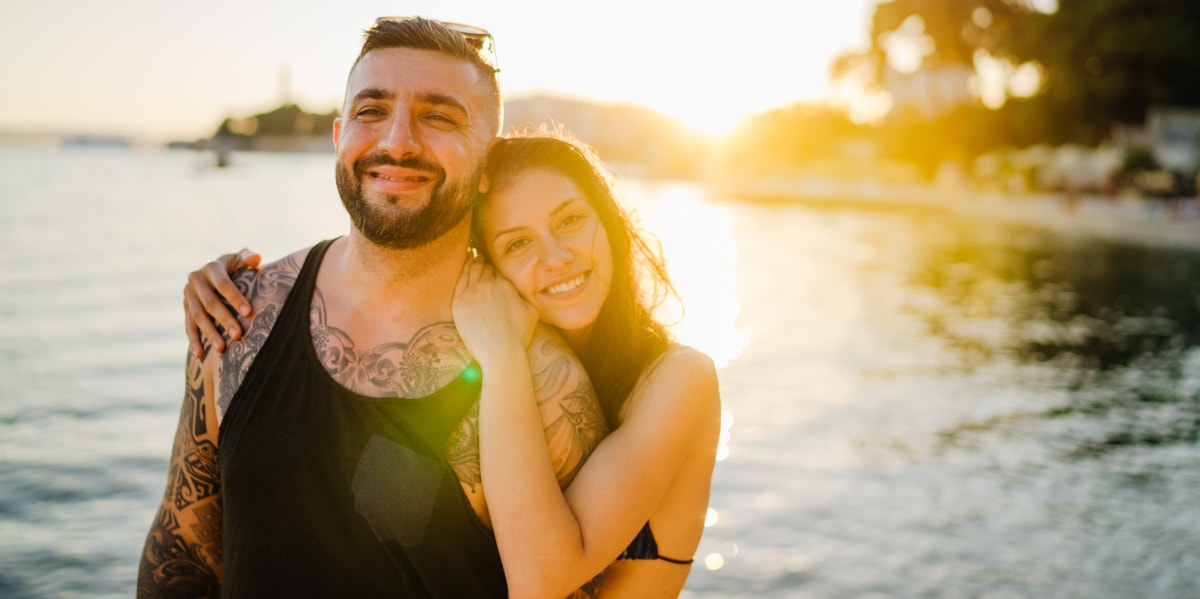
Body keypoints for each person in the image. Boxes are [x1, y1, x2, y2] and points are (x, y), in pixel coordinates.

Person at [138, 18, 608, 598]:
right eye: (371, 111)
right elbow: (183, 552)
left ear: (489, 162)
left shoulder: (542, 379)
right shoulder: (238, 313)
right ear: (339, 135)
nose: (397, 141)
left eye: (439, 116)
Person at [184, 130, 723, 597]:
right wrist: (235, 286)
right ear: (484, 268)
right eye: (517, 245)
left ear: (610, 221)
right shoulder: (505, 360)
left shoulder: (679, 377)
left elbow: (541, 581)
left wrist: (503, 354)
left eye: (572, 220)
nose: (557, 257)